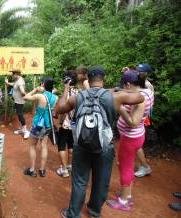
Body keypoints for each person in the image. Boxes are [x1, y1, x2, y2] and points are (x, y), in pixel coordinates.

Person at [58, 66, 144, 218]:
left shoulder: (78, 97)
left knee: (79, 181)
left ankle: (73, 214)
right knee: (101, 181)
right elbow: (140, 97)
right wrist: (115, 89)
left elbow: (60, 109)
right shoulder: (115, 97)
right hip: (105, 146)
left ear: (88, 80)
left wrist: (65, 89)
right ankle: (94, 210)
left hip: (82, 145)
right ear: (103, 79)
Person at [106, 70, 154, 211]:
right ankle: (126, 194)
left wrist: (120, 109)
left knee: (125, 167)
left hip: (131, 137)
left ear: (128, 84)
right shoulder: (148, 90)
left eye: (124, 85)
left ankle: (124, 201)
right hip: (136, 136)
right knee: (127, 165)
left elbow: (133, 122)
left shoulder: (139, 100)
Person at [22, 77, 58, 177]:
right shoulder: (55, 98)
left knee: (32, 145)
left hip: (38, 124)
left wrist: (35, 89)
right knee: (44, 146)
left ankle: (32, 170)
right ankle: (42, 170)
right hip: (48, 124)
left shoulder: (40, 96)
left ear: (43, 85)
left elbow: (25, 97)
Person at [134, 63, 154, 178]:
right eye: (137, 70)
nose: (138, 72)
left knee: (137, 144)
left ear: (146, 73)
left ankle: (145, 166)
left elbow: (148, 102)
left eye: (140, 71)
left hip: (143, 116)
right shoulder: (142, 83)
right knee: (135, 142)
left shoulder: (147, 85)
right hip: (140, 114)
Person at [5, 69, 29, 139]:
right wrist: (8, 83)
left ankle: (25, 131)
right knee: (19, 115)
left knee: (20, 115)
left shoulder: (20, 81)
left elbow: (22, 91)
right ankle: (22, 129)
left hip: (20, 101)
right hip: (17, 101)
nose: (12, 75)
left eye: (13, 74)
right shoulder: (18, 80)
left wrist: (27, 95)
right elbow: (14, 84)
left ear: (16, 74)